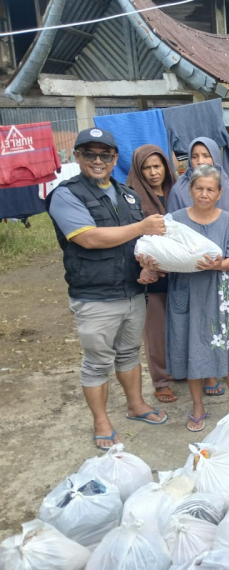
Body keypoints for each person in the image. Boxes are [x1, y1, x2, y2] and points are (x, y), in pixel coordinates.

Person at [45, 128, 168, 450]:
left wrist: (147, 265)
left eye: (105, 155)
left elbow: (137, 243)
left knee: (129, 353)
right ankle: (101, 421)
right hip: (95, 295)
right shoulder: (67, 194)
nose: (97, 161)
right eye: (90, 154)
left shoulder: (127, 194)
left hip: (132, 290)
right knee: (97, 361)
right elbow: (88, 237)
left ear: (115, 159)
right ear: (77, 157)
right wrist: (141, 226)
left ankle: (136, 405)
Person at [141, 164, 229, 432]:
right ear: (190, 190)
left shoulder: (228, 221)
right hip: (185, 293)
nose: (204, 194)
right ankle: (198, 407)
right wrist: (152, 264)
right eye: (199, 188)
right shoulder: (174, 219)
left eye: (210, 189)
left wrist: (218, 265)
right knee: (192, 349)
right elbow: (163, 253)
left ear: (219, 193)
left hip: (218, 294)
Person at [167, 137, 229, 392]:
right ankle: (206, 382)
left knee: (225, 330)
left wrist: (226, 262)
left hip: (223, 280)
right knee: (195, 333)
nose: (201, 160)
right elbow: (168, 241)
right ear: (191, 189)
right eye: (194, 156)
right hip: (189, 283)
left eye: (206, 155)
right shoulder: (177, 199)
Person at [126, 144, 177, 404]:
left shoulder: (178, 191)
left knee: (183, 325)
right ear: (138, 170)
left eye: (157, 166)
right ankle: (162, 380)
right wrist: (148, 265)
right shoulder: (132, 197)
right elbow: (130, 237)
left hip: (182, 272)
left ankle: (184, 371)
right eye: (146, 168)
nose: (153, 172)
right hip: (152, 275)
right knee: (157, 331)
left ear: (166, 168)